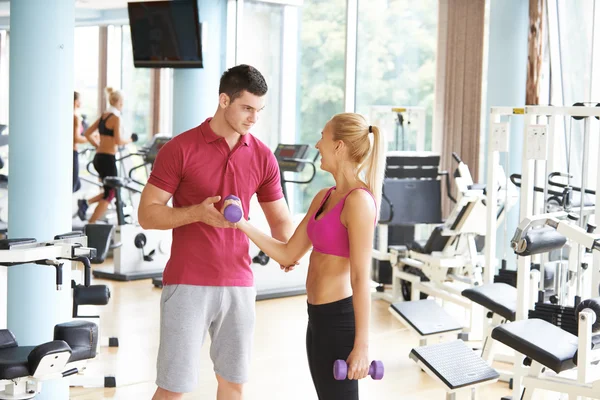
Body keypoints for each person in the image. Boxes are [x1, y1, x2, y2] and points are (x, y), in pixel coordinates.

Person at [137, 64, 294, 400]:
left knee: (234, 385)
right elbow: (147, 215)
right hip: (187, 281)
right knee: (172, 388)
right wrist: (196, 213)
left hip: (239, 283)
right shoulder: (180, 149)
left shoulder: (264, 156)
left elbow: (280, 219)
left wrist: (289, 252)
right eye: (247, 108)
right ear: (224, 100)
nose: (254, 118)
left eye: (259, 110)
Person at [223, 113, 386, 400]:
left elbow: (361, 278)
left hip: (340, 321)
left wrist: (362, 344)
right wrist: (242, 223)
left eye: (322, 137)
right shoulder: (324, 196)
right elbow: (288, 253)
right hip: (317, 317)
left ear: (339, 146)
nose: (316, 144)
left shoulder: (359, 202)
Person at [77, 87, 135, 223]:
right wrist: (131, 140)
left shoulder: (104, 116)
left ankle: (86, 203)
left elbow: (87, 133)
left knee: (110, 191)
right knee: (111, 193)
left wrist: (98, 146)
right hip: (108, 159)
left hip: (98, 157)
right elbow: (118, 141)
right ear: (119, 102)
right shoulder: (115, 118)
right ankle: (91, 225)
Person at [72, 91, 88, 193]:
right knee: (74, 184)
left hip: (71, 152)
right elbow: (76, 138)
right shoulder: (75, 117)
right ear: (75, 101)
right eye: (79, 100)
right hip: (73, 152)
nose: (81, 102)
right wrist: (89, 138)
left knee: (76, 184)